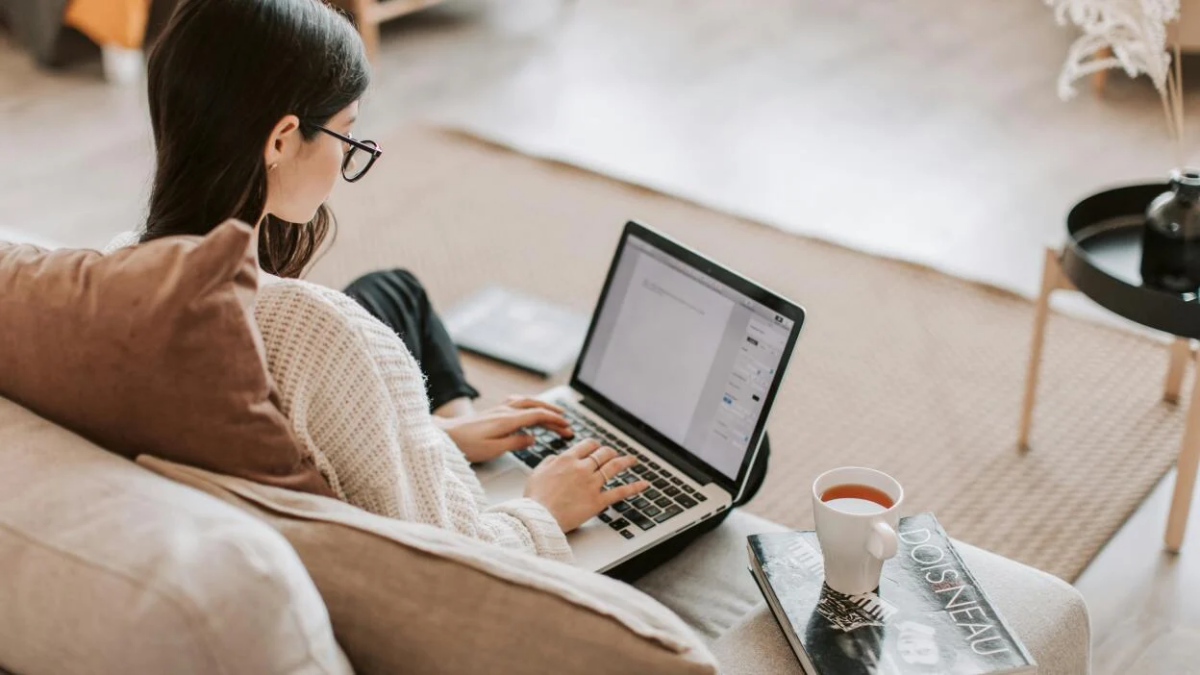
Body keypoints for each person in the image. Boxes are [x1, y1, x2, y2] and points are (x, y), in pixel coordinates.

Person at [124, 0, 768, 576]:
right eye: (348, 133)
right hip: (471, 538)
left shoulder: (117, 272)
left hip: (367, 430)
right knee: (744, 453)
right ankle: (470, 457)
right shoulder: (325, 334)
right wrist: (544, 506)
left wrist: (433, 440)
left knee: (394, 288)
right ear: (282, 139)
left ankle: (455, 429)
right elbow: (455, 562)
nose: (352, 155)